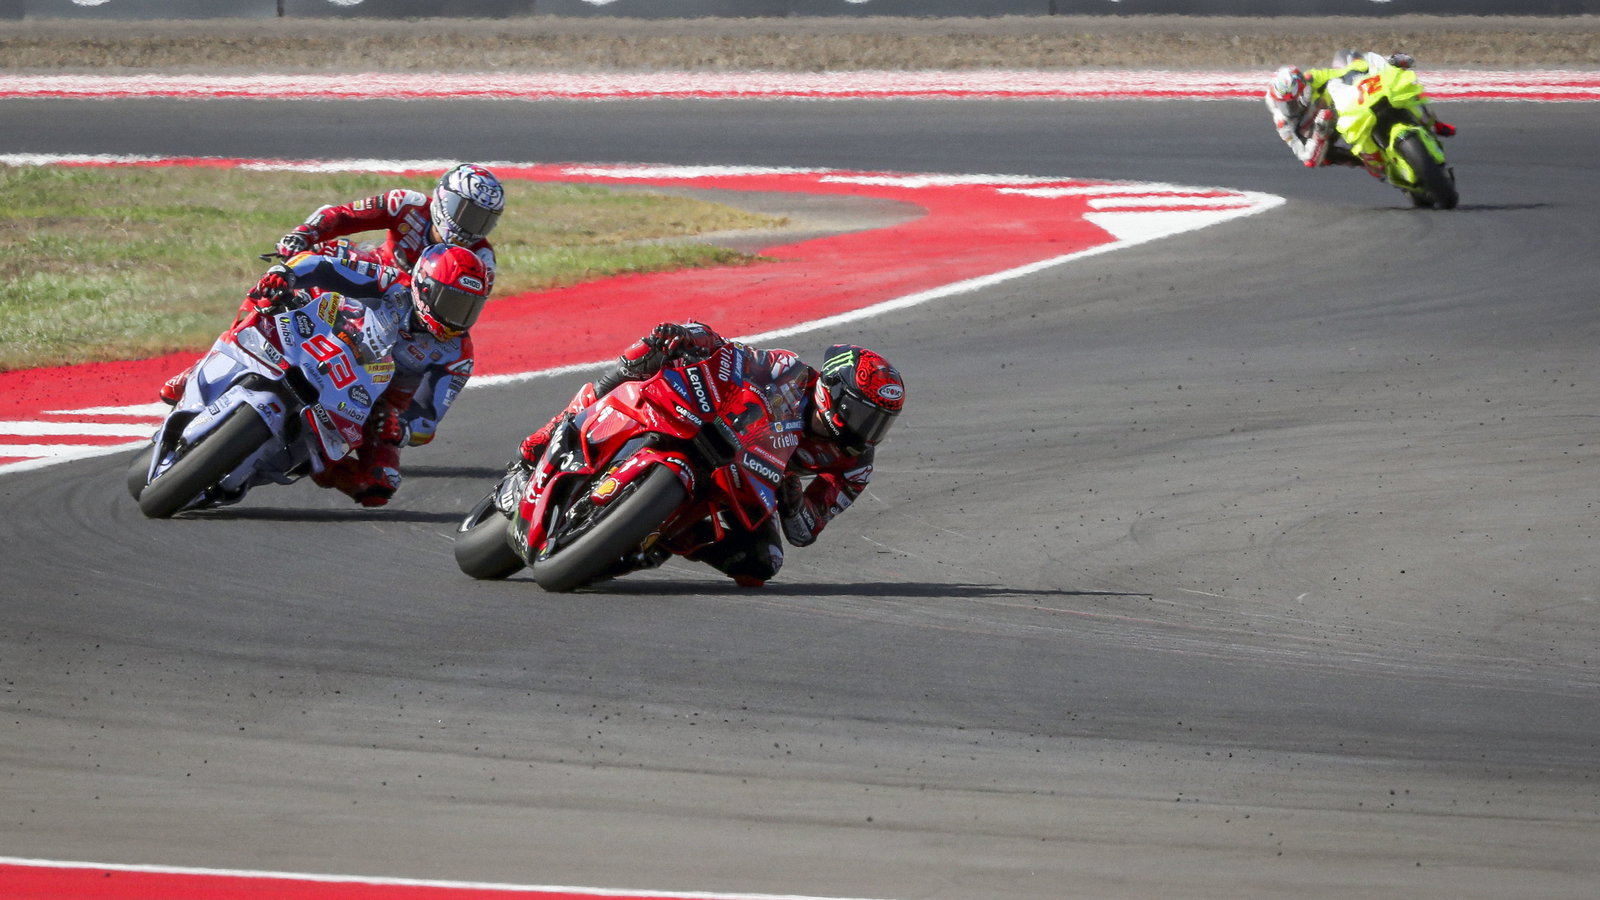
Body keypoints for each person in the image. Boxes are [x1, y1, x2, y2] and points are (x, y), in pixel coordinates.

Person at [516, 321, 907, 587]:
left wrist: (791, 502)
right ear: (833, 390)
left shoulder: (855, 466)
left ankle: (657, 536)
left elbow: (806, 531)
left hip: (747, 479)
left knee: (763, 564)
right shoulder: (789, 371)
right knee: (644, 355)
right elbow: (733, 354)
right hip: (712, 423)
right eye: (863, 414)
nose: (867, 430)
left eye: (878, 422)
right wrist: (688, 338)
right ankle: (557, 429)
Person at [159, 163, 504, 407]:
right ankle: (211, 362)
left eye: (483, 220)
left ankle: (372, 422)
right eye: (466, 212)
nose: (470, 227)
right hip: (372, 272)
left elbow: (458, 313)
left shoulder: (482, 261)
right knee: (288, 277)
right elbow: (343, 215)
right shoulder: (408, 204)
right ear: (443, 198)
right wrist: (303, 234)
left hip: (406, 315)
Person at [205, 243, 487, 507]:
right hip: (325, 339)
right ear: (425, 287)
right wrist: (286, 274)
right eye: (453, 303)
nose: (458, 317)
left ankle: (306, 463)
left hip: (373, 403)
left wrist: (402, 428)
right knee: (267, 298)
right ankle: (205, 367)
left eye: (469, 308)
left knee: (379, 484)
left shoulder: (458, 354)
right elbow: (321, 266)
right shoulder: (390, 282)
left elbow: (428, 417)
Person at [1265, 50, 1454, 178]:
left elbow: (1341, 73)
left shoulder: (1311, 78)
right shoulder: (1282, 122)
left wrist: (1372, 66)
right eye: (1286, 104)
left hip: (1341, 108)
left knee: (1397, 90)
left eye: (1293, 101)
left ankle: (1434, 123)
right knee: (1326, 157)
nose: (1290, 108)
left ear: (1303, 86)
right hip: (1321, 135)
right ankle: (1366, 162)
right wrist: (1319, 133)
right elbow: (1307, 158)